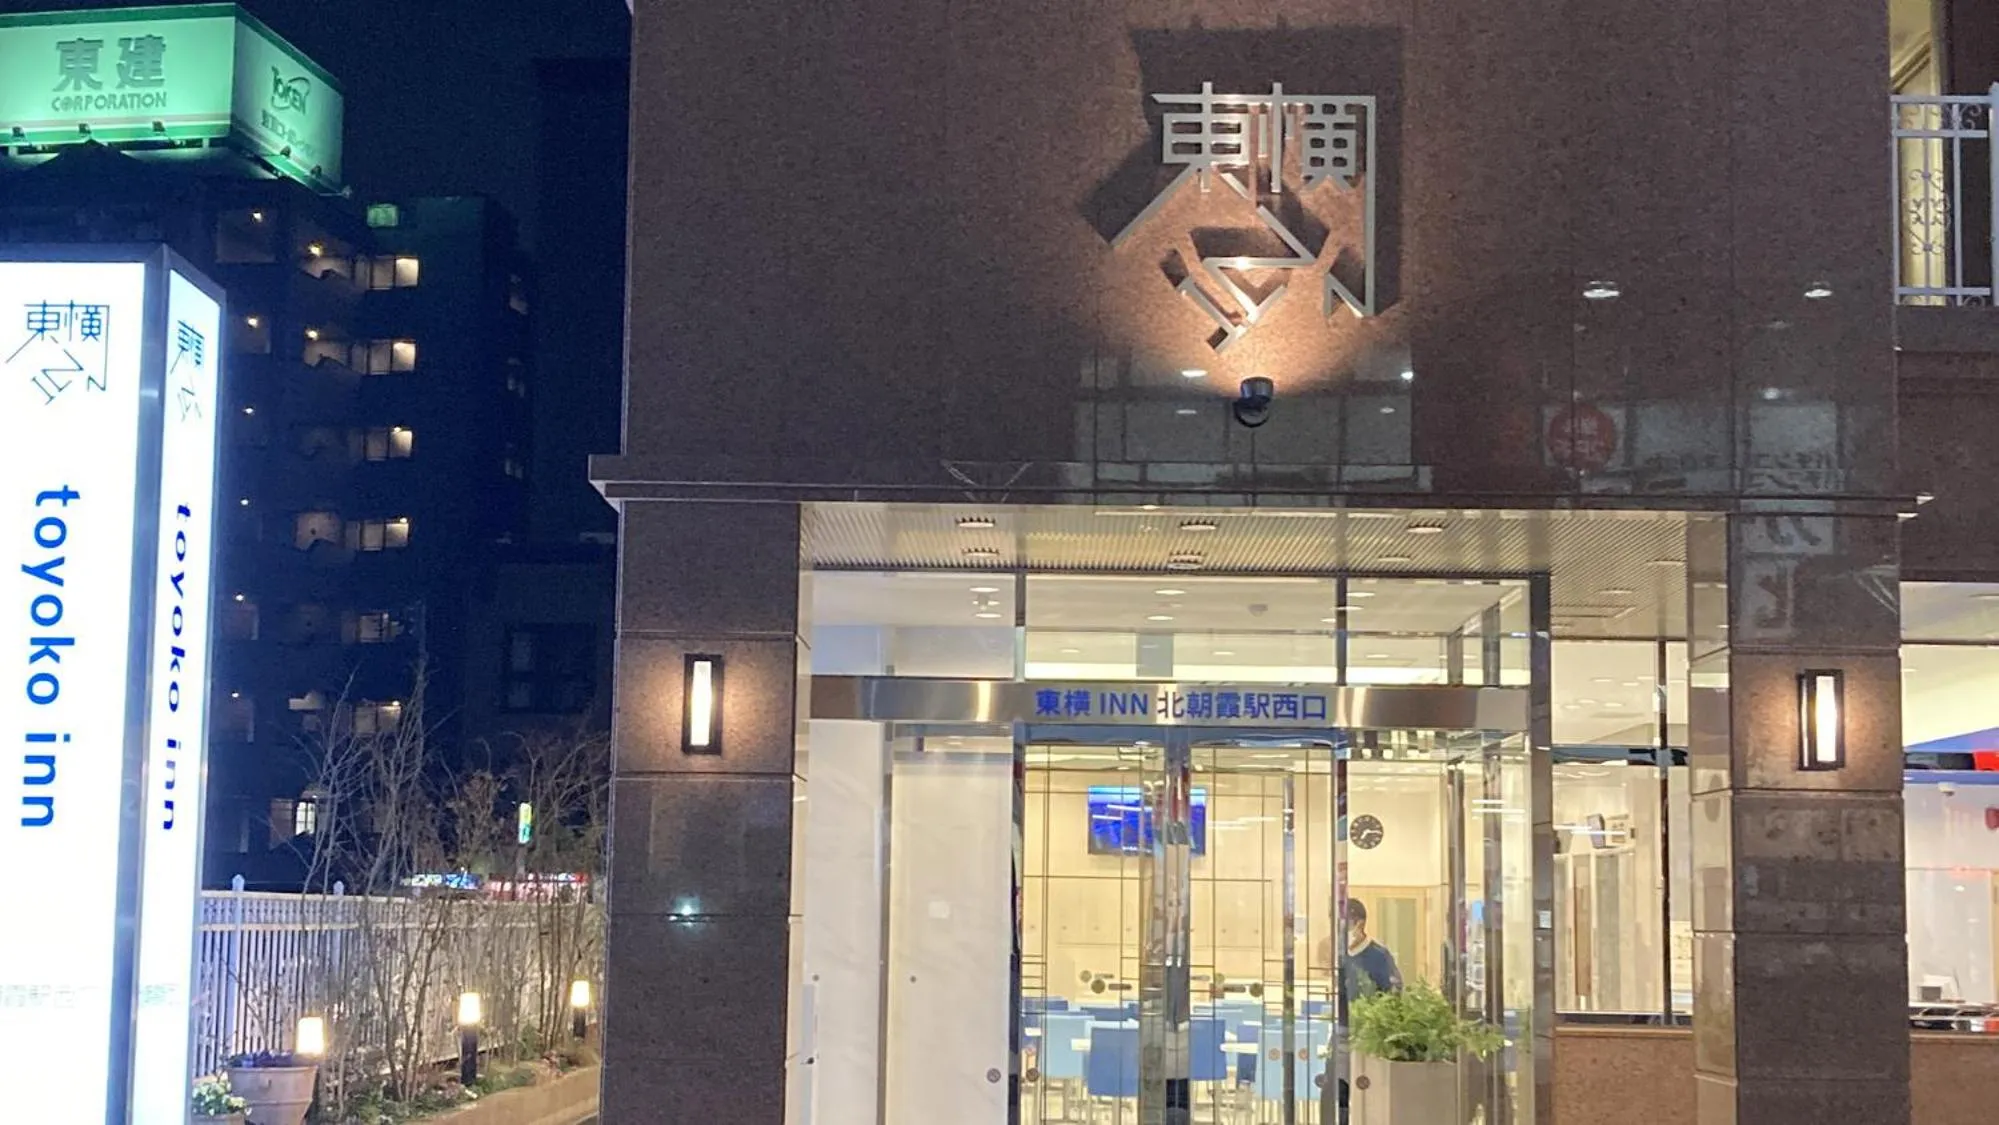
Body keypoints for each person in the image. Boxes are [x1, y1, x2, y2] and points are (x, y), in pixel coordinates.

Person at [1321, 900, 1401, 1125]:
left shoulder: (1379, 957)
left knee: (1362, 1095)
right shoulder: (1342, 956)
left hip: (1368, 1037)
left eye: (1343, 922)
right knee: (1333, 1092)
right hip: (1342, 1032)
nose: (1338, 928)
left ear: (1360, 923)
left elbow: (1394, 994)